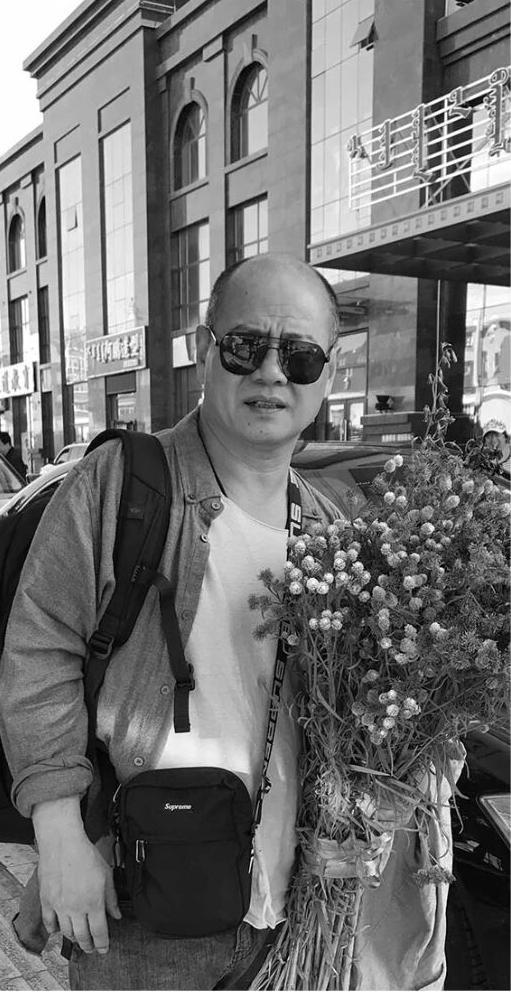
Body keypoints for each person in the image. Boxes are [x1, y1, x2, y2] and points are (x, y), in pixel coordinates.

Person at [0, 254, 457, 991]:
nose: (272, 372)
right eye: (247, 345)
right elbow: (38, 649)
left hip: (295, 911)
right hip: (144, 914)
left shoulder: (332, 531)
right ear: (202, 347)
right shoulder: (120, 486)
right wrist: (57, 832)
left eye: (299, 356)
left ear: (328, 373)